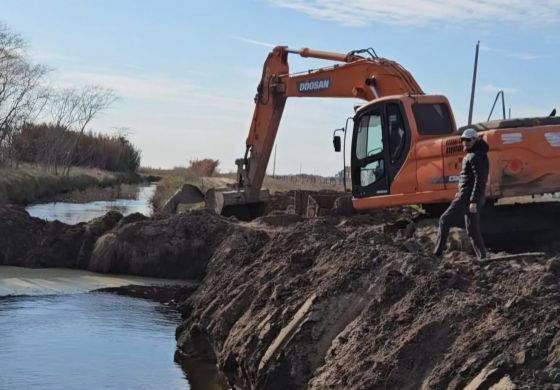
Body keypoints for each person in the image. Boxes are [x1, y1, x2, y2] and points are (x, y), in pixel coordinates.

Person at [433, 128, 489, 260]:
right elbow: (469, 179)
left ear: (476, 140)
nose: (465, 142)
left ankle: (437, 255)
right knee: (473, 230)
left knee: (444, 220)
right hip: (466, 196)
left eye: (468, 140)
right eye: (463, 140)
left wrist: (473, 200)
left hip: (468, 197)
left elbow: (480, 180)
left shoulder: (477, 156)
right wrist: (460, 192)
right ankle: (483, 257)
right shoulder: (474, 154)